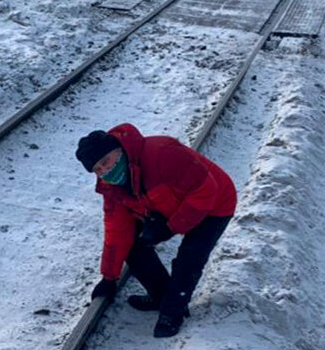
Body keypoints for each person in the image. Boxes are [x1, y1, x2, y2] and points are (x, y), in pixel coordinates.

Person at [75, 123, 237, 338]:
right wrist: (109, 277)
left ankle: (173, 310)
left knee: (190, 258)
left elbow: (205, 191)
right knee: (133, 244)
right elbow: (116, 232)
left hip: (216, 204)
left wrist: (170, 227)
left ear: (119, 150)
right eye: (98, 170)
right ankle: (161, 296)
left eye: (106, 162)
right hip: (165, 204)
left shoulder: (162, 153)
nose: (105, 171)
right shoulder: (112, 186)